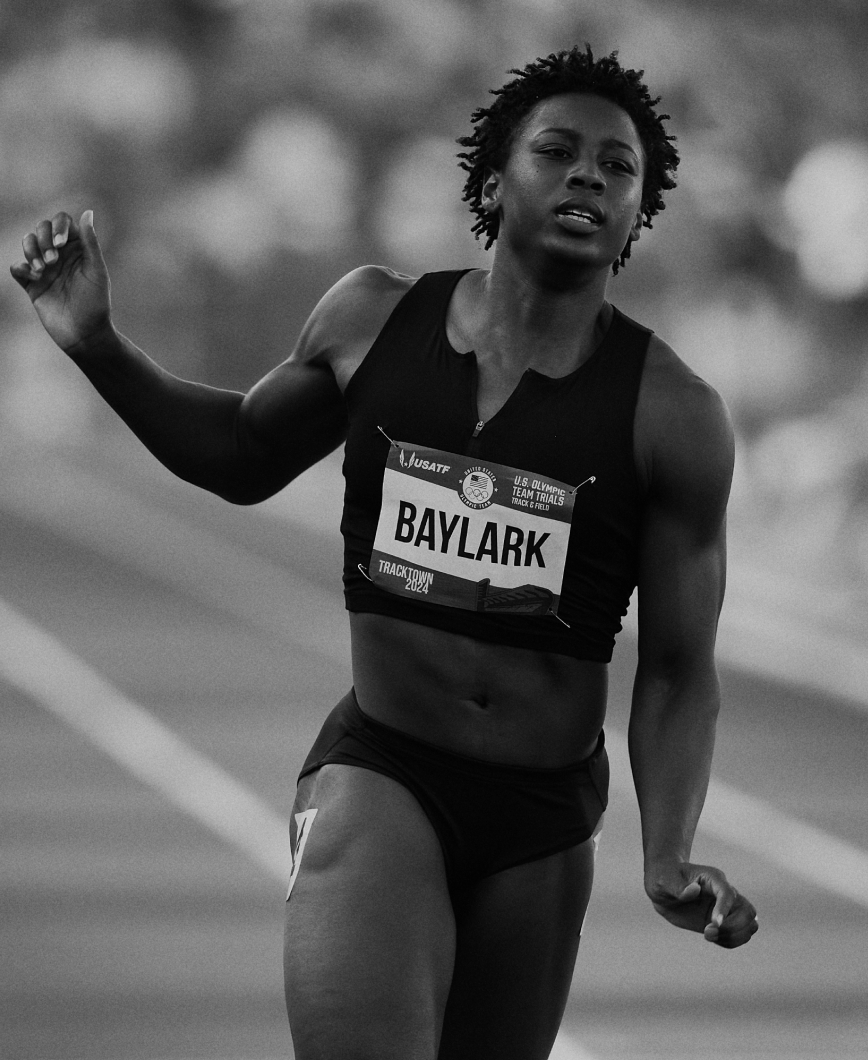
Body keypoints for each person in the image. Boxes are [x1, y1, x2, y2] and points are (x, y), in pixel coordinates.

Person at [12, 43, 757, 1060]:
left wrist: (667, 851)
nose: (589, 173)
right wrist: (99, 345)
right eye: (559, 149)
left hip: (542, 819)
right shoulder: (371, 321)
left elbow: (676, 670)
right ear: (496, 180)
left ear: (639, 212)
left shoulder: (673, 415)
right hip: (383, 771)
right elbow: (239, 456)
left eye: (617, 166)